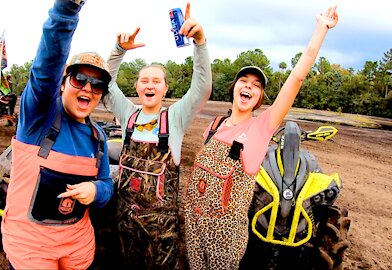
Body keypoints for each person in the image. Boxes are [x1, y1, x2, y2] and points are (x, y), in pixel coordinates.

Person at [183, 5, 339, 270]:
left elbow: (297, 77)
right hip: (194, 222)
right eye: (244, 81)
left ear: (259, 98)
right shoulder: (214, 125)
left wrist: (321, 28)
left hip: (226, 235)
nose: (249, 87)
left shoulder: (262, 128)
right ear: (234, 88)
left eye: (256, 86)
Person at [0, 0, 114, 269]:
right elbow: (46, 67)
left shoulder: (98, 138)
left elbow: (107, 185)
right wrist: (67, 8)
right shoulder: (39, 119)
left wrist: (95, 190)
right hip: (31, 250)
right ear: (63, 83)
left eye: (97, 85)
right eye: (79, 79)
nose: (87, 87)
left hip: (78, 249)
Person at [102, 3, 212, 269]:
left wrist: (200, 42)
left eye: (156, 81)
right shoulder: (127, 114)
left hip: (162, 230)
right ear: (137, 86)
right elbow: (105, 84)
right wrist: (118, 51)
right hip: (126, 221)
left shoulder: (175, 117)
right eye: (144, 80)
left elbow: (202, 87)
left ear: (165, 88)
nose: (149, 85)